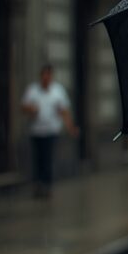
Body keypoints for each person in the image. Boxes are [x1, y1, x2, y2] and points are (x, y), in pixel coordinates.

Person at [21, 63, 79, 199]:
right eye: (44, 75)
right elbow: (23, 107)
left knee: (47, 158)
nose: (46, 78)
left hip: (51, 131)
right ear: (41, 76)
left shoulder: (57, 91)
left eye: (49, 75)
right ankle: (38, 184)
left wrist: (70, 127)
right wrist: (31, 109)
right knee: (38, 158)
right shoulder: (33, 90)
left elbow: (64, 111)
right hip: (36, 131)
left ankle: (46, 185)